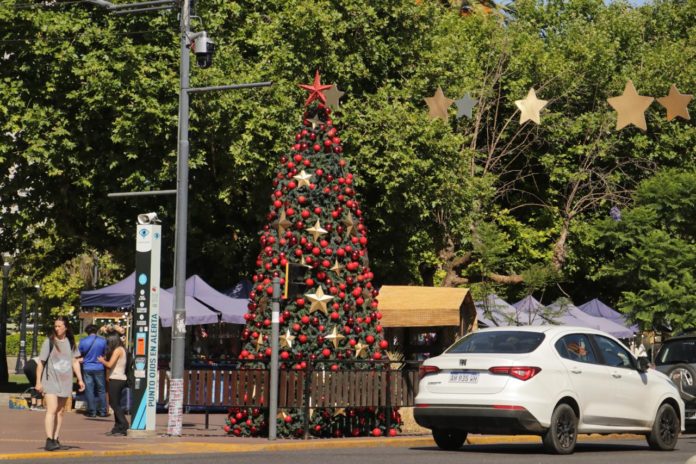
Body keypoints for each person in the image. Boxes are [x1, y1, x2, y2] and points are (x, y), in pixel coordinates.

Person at [35, 316, 85, 452]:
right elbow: (41, 363)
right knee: (51, 409)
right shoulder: (49, 342)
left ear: (66, 327)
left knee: (61, 411)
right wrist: (38, 382)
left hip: (65, 381)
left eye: (59, 326)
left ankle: (55, 438)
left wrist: (80, 379)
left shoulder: (70, 342)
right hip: (50, 381)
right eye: (55, 326)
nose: (56, 328)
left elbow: (75, 362)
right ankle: (49, 439)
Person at [98, 332, 129, 436]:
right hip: (119, 378)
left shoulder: (117, 350)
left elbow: (110, 364)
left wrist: (102, 361)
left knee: (114, 403)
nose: (107, 345)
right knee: (116, 403)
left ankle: (124, 424)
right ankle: (117, 427)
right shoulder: (122, 349)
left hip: (116, 378)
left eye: (108, 342)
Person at [78, 324, 108, 418]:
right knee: (101, 390)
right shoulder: (103, 341)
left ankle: (92, 411)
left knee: (89, 389)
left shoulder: (83, 341)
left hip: (87, 367)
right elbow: (105, 353)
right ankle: (103, 411)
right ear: (97, 331)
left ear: (87, 332)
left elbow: (79, 354)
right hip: (99, 367)